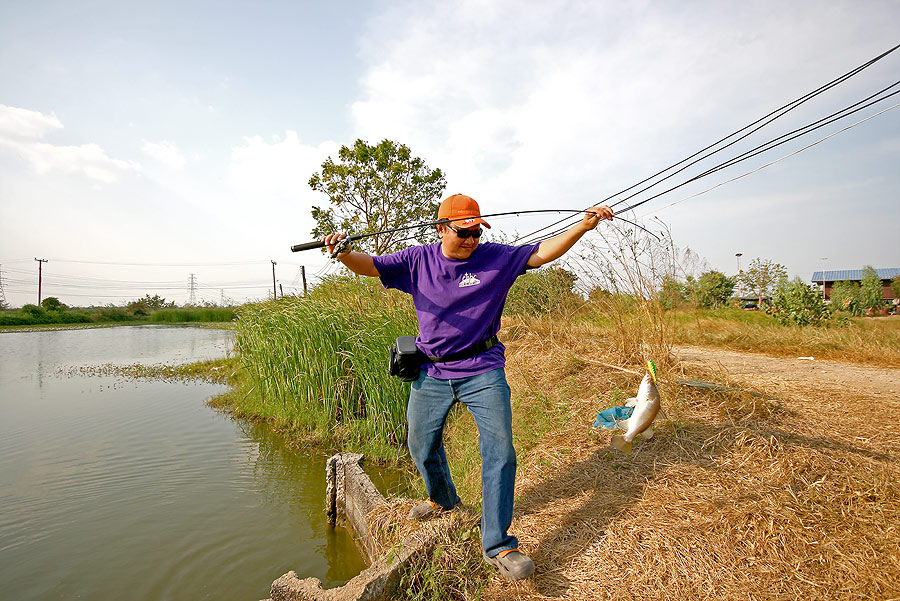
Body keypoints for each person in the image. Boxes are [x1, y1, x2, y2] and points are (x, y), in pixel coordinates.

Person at [322, 193, 613, 581]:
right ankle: (442, 499)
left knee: (500, 451)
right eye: (463, 233)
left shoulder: (495, 257)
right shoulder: (416, 260)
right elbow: (370, 265)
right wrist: (343, 254)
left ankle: (498, 544)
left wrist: (583, 225)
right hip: (432, 372)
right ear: (442, 229)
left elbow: (542, 253)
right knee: (421, 446)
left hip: (483, 370)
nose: (472, 240)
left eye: (477, 232)